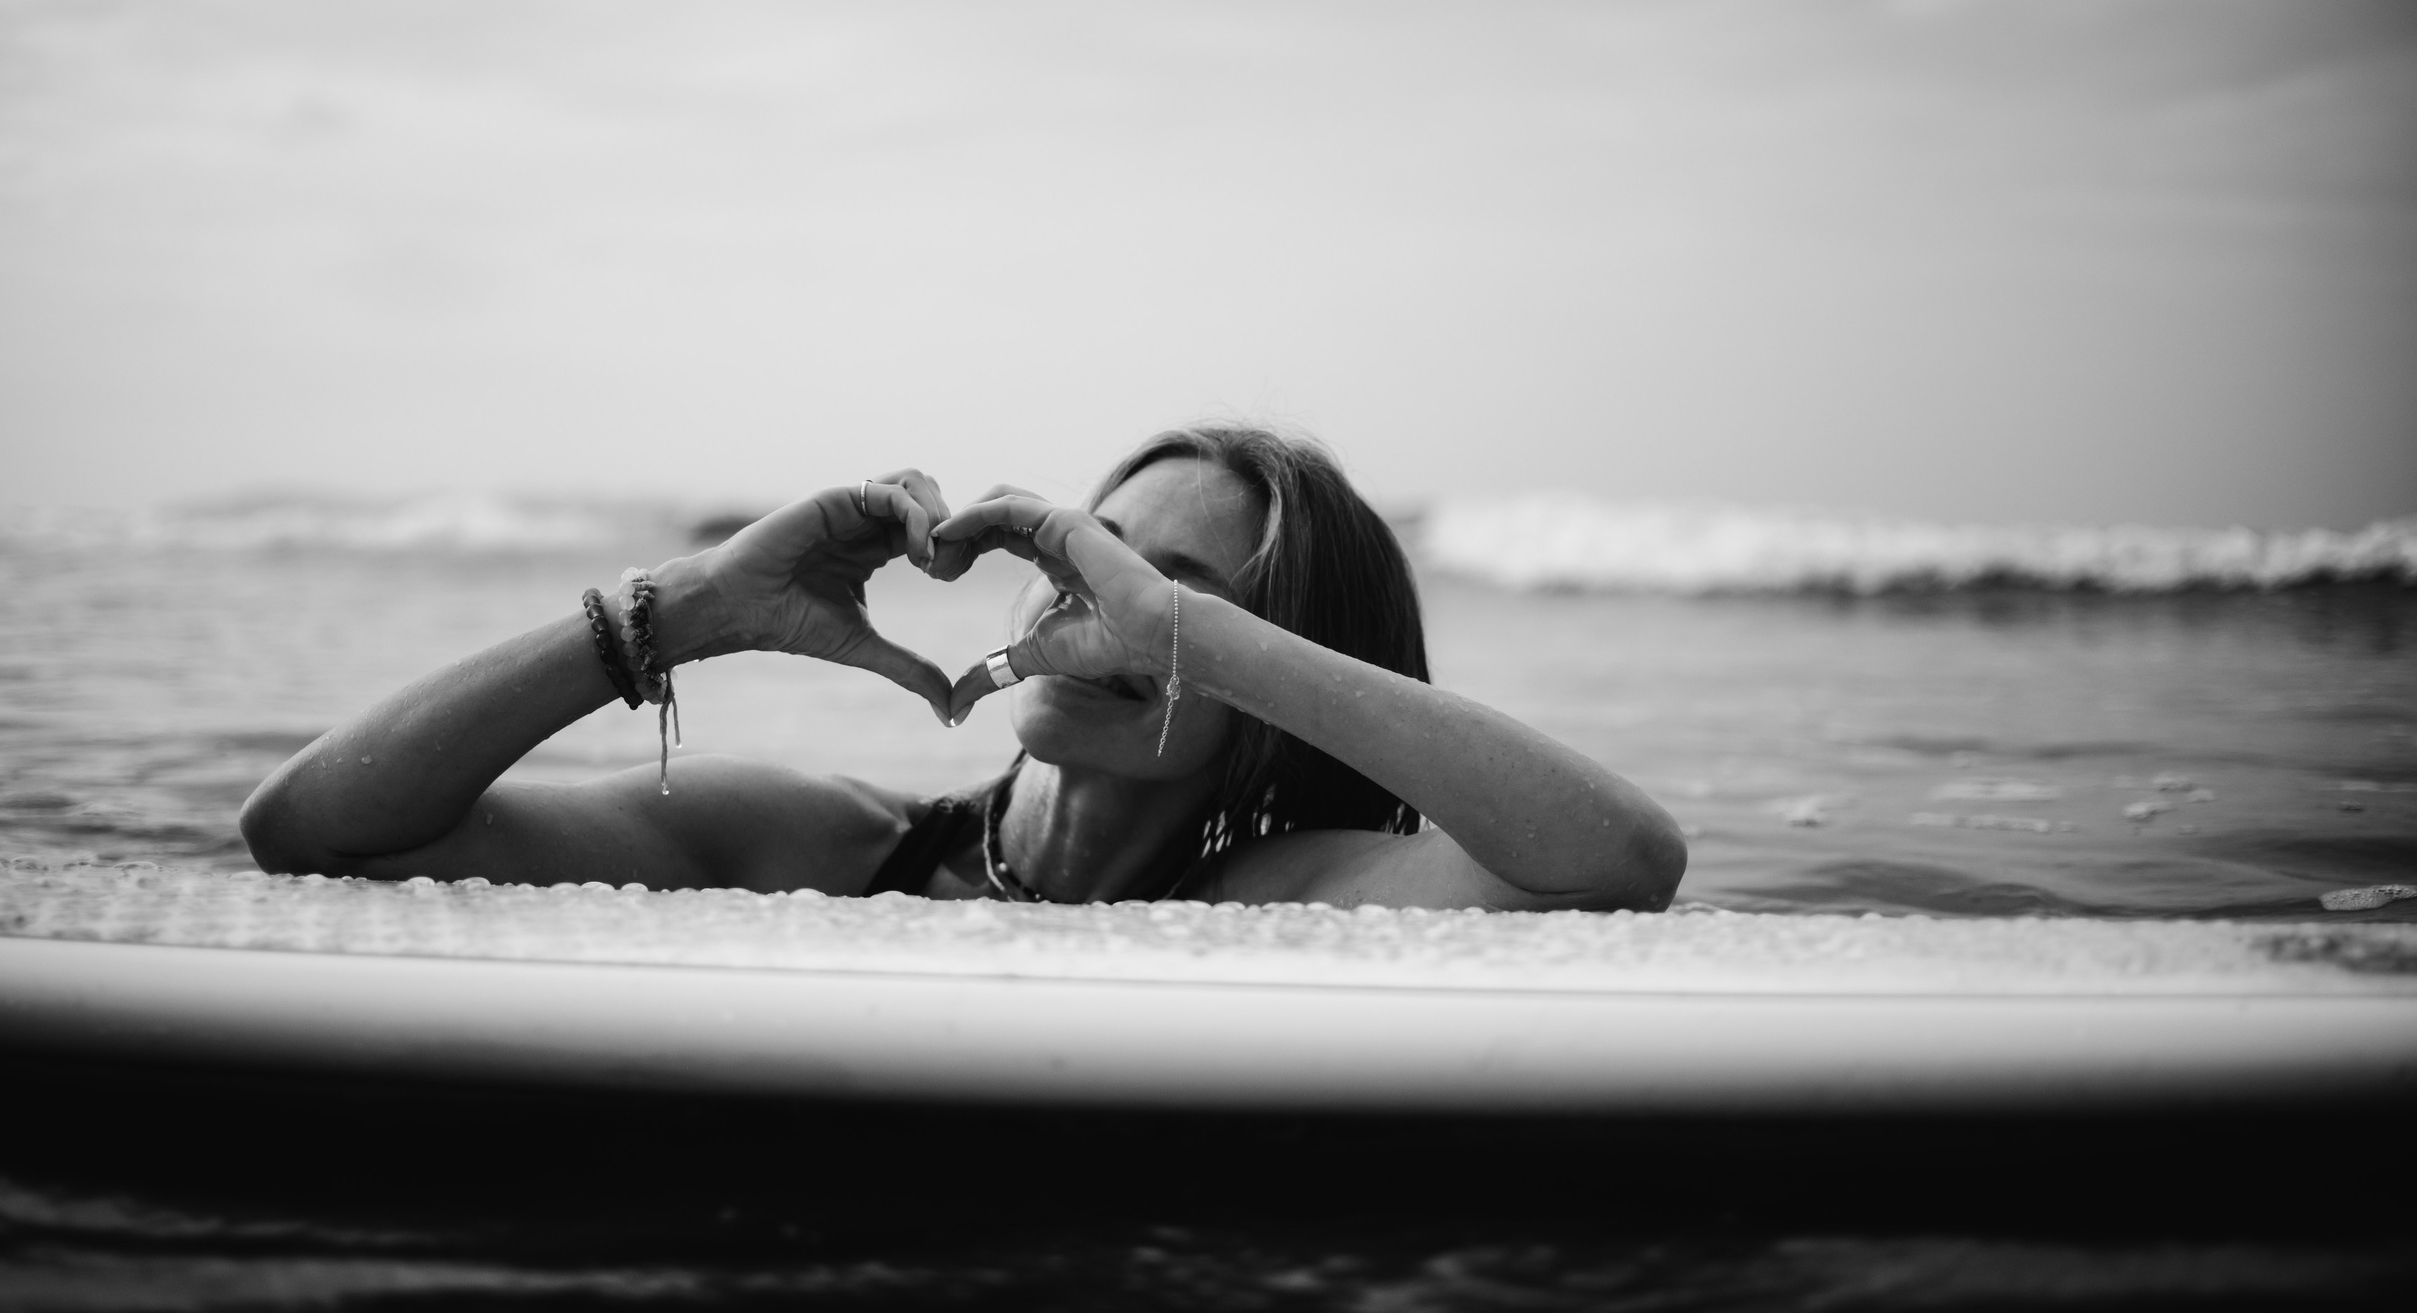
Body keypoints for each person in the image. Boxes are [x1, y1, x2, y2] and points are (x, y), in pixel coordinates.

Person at [240, 424, 1685, 910]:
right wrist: (680, 609)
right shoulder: (815, 839)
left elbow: (1619, 857)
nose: (1104, 608)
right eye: (1098, 558)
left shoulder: (1276, 897)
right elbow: (311, 829)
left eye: (1178, 599)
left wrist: (1192, 638)